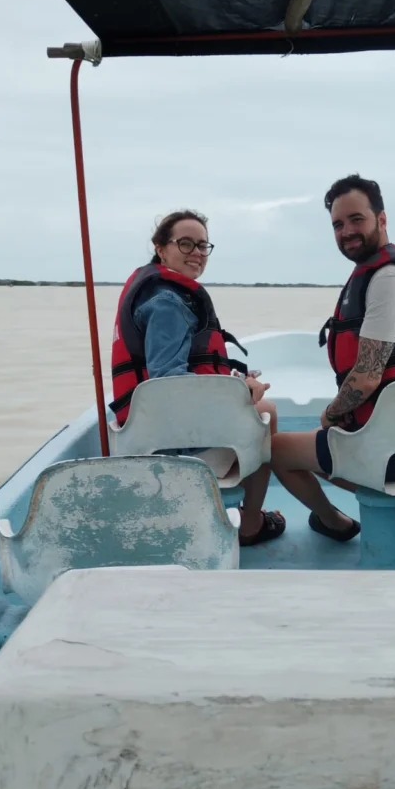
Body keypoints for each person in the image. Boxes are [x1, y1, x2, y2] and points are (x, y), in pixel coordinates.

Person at [271, 175, 395, 541]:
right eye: (338, 224)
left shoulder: (389, 280)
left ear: (381, 220)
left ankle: (334, 522)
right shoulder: (377, 272)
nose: (347, 231)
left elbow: (367, 377)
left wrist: (330, 415)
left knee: (274, 450)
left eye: (356, 219)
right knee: (323, 436)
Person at [109, 209, 286, 546]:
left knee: (257, 404)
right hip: (169, 446)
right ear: (161, 249)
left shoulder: (159, 294)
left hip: (144, 432)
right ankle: (250, 525)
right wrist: (241, 391)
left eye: (203, 246)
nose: (196, 253)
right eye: (185, 244)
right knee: (268, 414)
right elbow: (169, 387)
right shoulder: (167, 304)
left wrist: (228, 379)